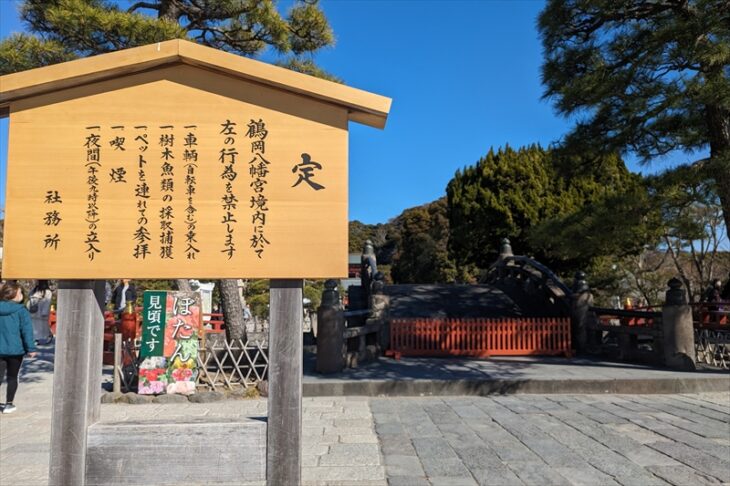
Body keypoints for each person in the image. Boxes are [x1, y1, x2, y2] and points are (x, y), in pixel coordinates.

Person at [0, 282, 37, 414]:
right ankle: (9, 404)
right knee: (12, 377)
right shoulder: (21, 310)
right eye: (20, 292)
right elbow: (26, 331)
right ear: (14, 294)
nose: (22, 295)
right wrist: (31, 348)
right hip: (15, 350)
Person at [28, 280, 53, 345]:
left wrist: (44, 312)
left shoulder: (47, 291)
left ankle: (48, 336)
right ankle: (36, 338)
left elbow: (47, 302)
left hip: (39, 311)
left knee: (42, 326)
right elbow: (30, 295)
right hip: (36, 310)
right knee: (36, 326)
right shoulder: (36, 289)